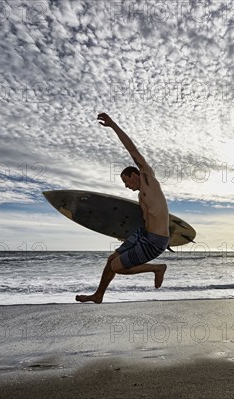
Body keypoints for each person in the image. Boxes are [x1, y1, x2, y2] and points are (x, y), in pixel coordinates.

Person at [75, 113, 170, 304]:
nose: (127, 186)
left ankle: (158, 268)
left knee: (117, 267)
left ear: (135, 174)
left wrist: (113, 125)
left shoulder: (148, 180)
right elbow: (147, 219)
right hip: (144, 234)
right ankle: (98, 294)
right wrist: (125, 233)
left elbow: (133, 151)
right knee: (111, 260)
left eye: (126, 181)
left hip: (155, 241)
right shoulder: (140, 196)